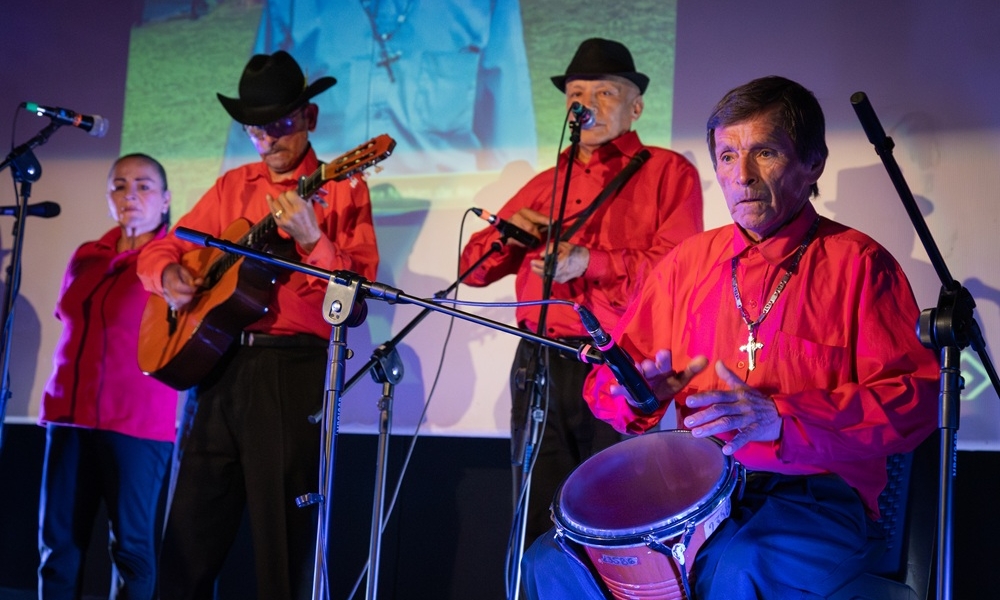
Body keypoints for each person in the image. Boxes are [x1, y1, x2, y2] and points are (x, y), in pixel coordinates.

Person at [521, 76, 941, 599]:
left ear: (812, 163)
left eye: (764, 152)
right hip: (692, 498)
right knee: (553, 563)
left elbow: (913, 401)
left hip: (814, 500)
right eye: (725, 156)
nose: (741, 176)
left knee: (731, 567)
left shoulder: (859, 263)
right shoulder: (687, 264)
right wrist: (638, 390)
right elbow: (610, 390)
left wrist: (782, 416)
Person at [137, 50, 379, 599]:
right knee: (186, 544)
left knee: (282, 549)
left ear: (310, 118)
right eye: (255, 129)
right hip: (217, 367)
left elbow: (357, 301)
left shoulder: (344, 189)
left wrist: (315, 241)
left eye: (280, 124)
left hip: (289, 373)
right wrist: (168, 274)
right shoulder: (232, 186)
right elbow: (164, 247)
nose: (268, 139)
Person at [459, 37, 704, 551]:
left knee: (618, 515)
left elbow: (675, 272)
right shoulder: (546, 180)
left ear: (635, 106)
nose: (586, 103)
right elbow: (473, 272)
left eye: (604, 92)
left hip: (619, 360)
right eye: (576, 92)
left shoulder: (668, 172)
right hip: (540, 359)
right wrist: (510, 234)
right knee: (539, 519)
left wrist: (591, 261)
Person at [37, 153, 178, 599]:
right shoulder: (86, 256)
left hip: (138, 423)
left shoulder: (174, 263)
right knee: (57, 549)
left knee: (132, 551)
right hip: (69, 416)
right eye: (119, 185)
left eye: (143, 185)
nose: (130, 194)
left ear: (166, 199)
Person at [221, 0, 537, 175]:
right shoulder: (293, 6)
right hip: (323, 216)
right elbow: (255, 107)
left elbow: (509, 114)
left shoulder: (485, 5)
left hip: (444, 215)